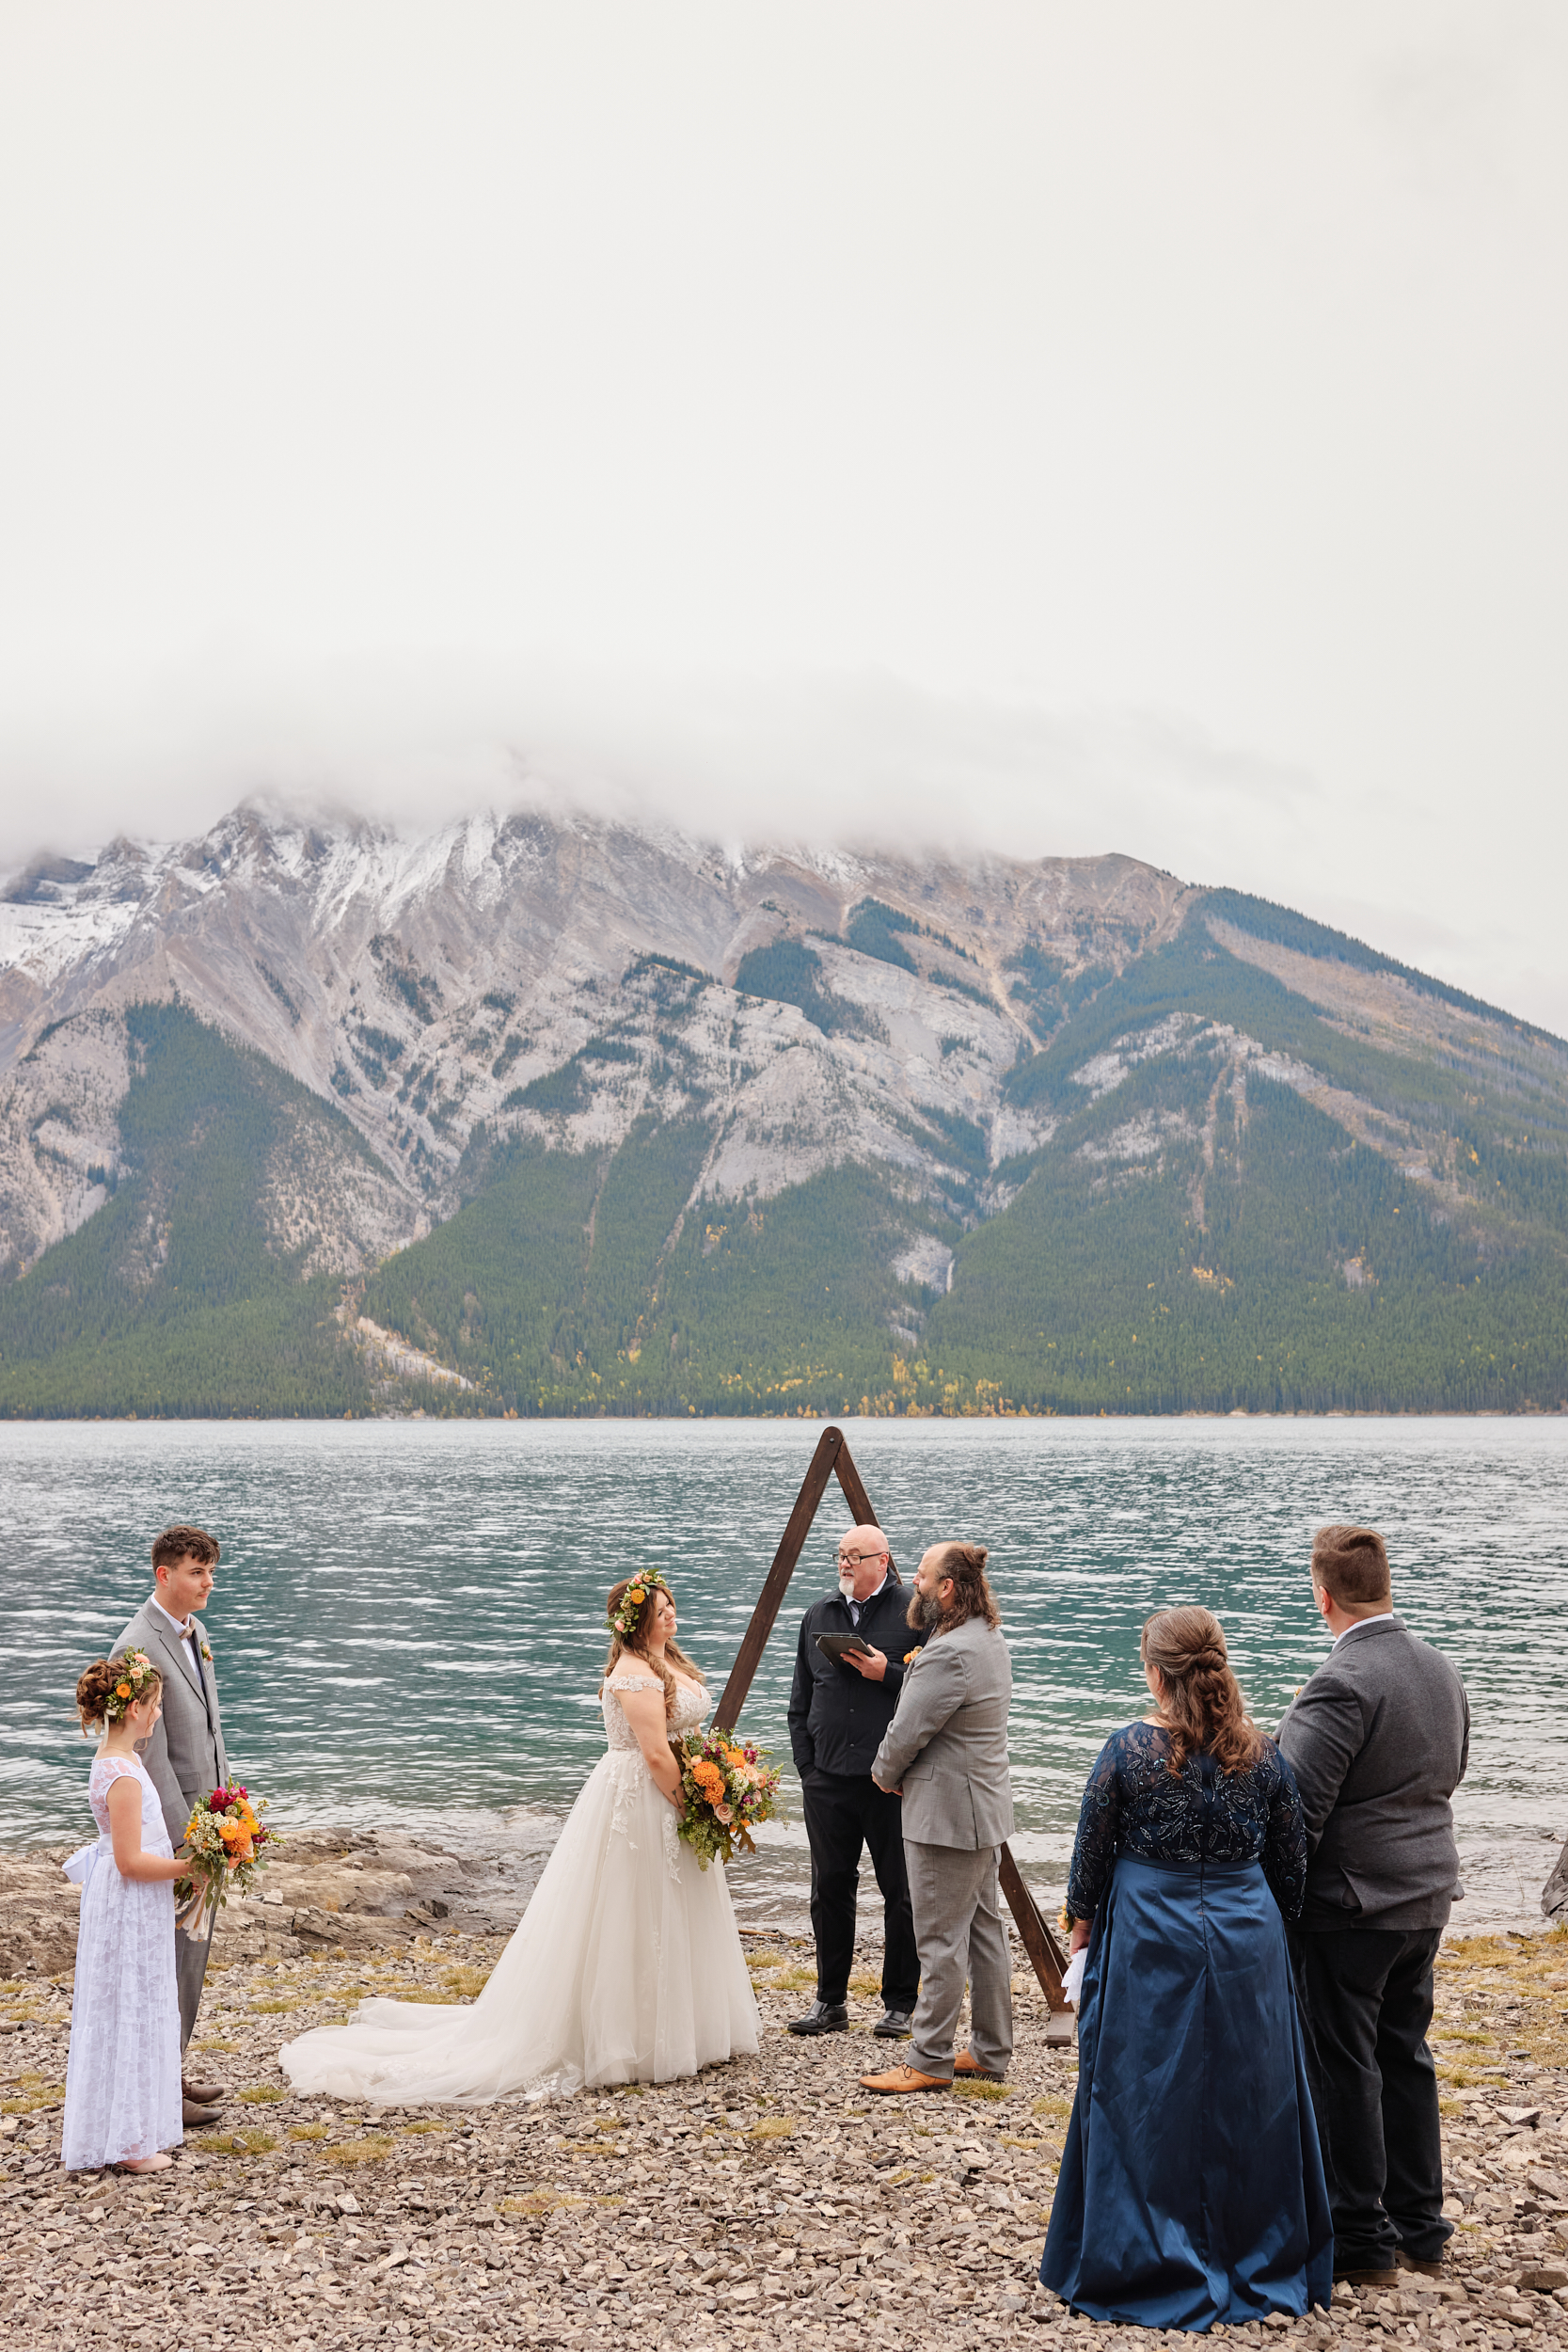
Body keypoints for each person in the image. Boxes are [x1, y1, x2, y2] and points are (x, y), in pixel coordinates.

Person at [279, 1577, 758, 2103]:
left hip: (666, 1793)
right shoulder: (633, 1673)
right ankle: (630, 2041)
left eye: (672, 1607)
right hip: (643, 1799)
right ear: (635, 1621)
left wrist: (717, 1778)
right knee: (632, 1909)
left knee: (674, 1906)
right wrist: (696, 1804)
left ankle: (686, 2028)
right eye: (661, 1610)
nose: (672, 1615)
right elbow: (654, 1753)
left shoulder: (669, 1665)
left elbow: (681, 1741)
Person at [1040, 1606, 1333, 2328]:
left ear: (1153, 1671)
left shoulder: (1124, 1751)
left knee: (1141, 2090)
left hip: (1148, 1932)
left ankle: (1139, 2254)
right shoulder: (1264, 1754)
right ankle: (1254, 2250)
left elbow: (1089, 1865)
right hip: (1244, 1934)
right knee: (1251, 2094)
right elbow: (1292, 1873)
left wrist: (1081, 1940)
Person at [1277, 1525, 1470, 2289]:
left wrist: (1275, 1902)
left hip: (1351, 1906)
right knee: (1404, 2053)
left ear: (1322, 1595)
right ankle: (1421, 2226)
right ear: (1382, 1584)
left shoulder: (1338, 1682)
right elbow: (1447, 1773)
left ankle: (1359, 2235)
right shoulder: (1440, 1668)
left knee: (1344, 2063)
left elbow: (1295, 1811)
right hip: (1425, 1894)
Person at [859, 1540, 1014, 2094]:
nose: (915, 1584)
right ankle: (992, 2049)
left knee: (939, 1939)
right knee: (984, 1931)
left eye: (922, 1576)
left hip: (946, 1815)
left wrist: (882, 1773)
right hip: (982, 1806)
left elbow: (907, 1730)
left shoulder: (948, 1652)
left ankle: (928, 2057)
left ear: (948, 1587)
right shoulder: (988, 1637)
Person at [786, 1523, 926, 2040]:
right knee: (830, 1889)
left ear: (882, 1561)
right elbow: (800, 1698)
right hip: (827, 1779)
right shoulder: (818, 1614)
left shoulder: (915, 1611)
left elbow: (934, 1688)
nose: (844, 1563)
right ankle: (830, 2002)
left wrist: (886, 1673)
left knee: (901, 1891)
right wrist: (807, 1768)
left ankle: (900, 2003)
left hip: (891, 1780)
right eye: (839, 1555)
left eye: (854, 1555)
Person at [114, 1524, 228, 2127]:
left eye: (210, 1571)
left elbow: (209, 1732)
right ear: (165, 1576)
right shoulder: (139, 1645)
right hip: (173, 1829)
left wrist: (231, 1808)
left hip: (210, 1818)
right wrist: (190, 1839)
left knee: (192, 1952)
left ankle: (172, 2067)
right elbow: (148, 1756)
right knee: (171, 1955)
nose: (208, 1583)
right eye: (197, 1572)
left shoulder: (195, 1633)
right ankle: (159, 2088)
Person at [60, 1652, 189, 2174]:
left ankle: (129, 2124)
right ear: (134, 1707)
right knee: (131, 2002)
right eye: (155, 1705)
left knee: (134, 2000)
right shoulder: (124, 1775)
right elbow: (132, 1861)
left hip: (131, 1901)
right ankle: (131, 2143)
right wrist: (189, 1869)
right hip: (129, 1904)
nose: (158, 1715)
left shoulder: (120, 1761)